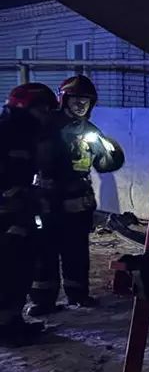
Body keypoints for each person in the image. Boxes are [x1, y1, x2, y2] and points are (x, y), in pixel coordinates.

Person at [29, 75, 125, 314]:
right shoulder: (45, 125)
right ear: (64, 100)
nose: (81, 105)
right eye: (76, 100)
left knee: (77, 251)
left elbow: (105, 165)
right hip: (46, 200)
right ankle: (43, 301)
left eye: (86, 101)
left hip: (77, 201)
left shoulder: (91, 131)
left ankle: (78, 295)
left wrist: (111, 150)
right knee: (43, 252)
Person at [0, 83, 58, 344]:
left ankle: (13, 320)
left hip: (17, 213)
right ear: (26, 107)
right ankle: (5, 329)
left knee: (20, 264)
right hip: (4, 216)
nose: (47, 115)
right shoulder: (5, 133)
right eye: (43, 109)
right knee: (7, 267)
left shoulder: (25, 135)